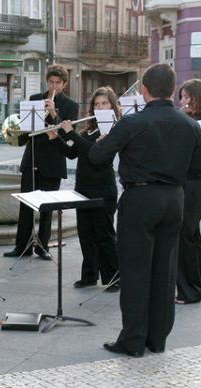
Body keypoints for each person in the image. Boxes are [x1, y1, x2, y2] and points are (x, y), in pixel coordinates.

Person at [90, 64, 201, 357]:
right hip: (175, 199)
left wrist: (105, 139)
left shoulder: (132, 122)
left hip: (140, 198)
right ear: (172, 89)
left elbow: (97, 156)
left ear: (145, 90)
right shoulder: (190, 125)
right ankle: (157, 339)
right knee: (165, 272)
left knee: (136, 270)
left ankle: (133, 340)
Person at [3, 64, 79, 261]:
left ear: (64, 84)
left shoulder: (71, 106)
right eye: (51, 82)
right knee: (26, 205)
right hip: (33, 157)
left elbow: (69, 136)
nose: (53, 87)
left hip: (54, 161)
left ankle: (43, 247)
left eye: (58, 83)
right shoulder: (35, 99)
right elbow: (26, 131)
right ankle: (22, 247)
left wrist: (54, 114)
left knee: (47, 208)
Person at [58, 87, 120, 292]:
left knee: (104, 235)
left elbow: (94, 153)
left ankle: (113, 278)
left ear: (112, 105)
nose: (100, 107)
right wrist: (56, 137)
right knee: (85, 233)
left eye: (104, 103)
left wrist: (70, 134)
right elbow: (72, 153)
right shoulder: (88, 129)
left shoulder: (112, 129)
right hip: (83, 187)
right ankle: (89, 276)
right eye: (96, 104)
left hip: (103, 188)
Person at [175, 79, 201, 304]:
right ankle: (194, 285)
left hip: (193, 185)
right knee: (191, 235)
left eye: (185, 97)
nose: (181, 101)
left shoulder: (195, 124)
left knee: (185, 236)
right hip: (190, 184)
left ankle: (189, 290)